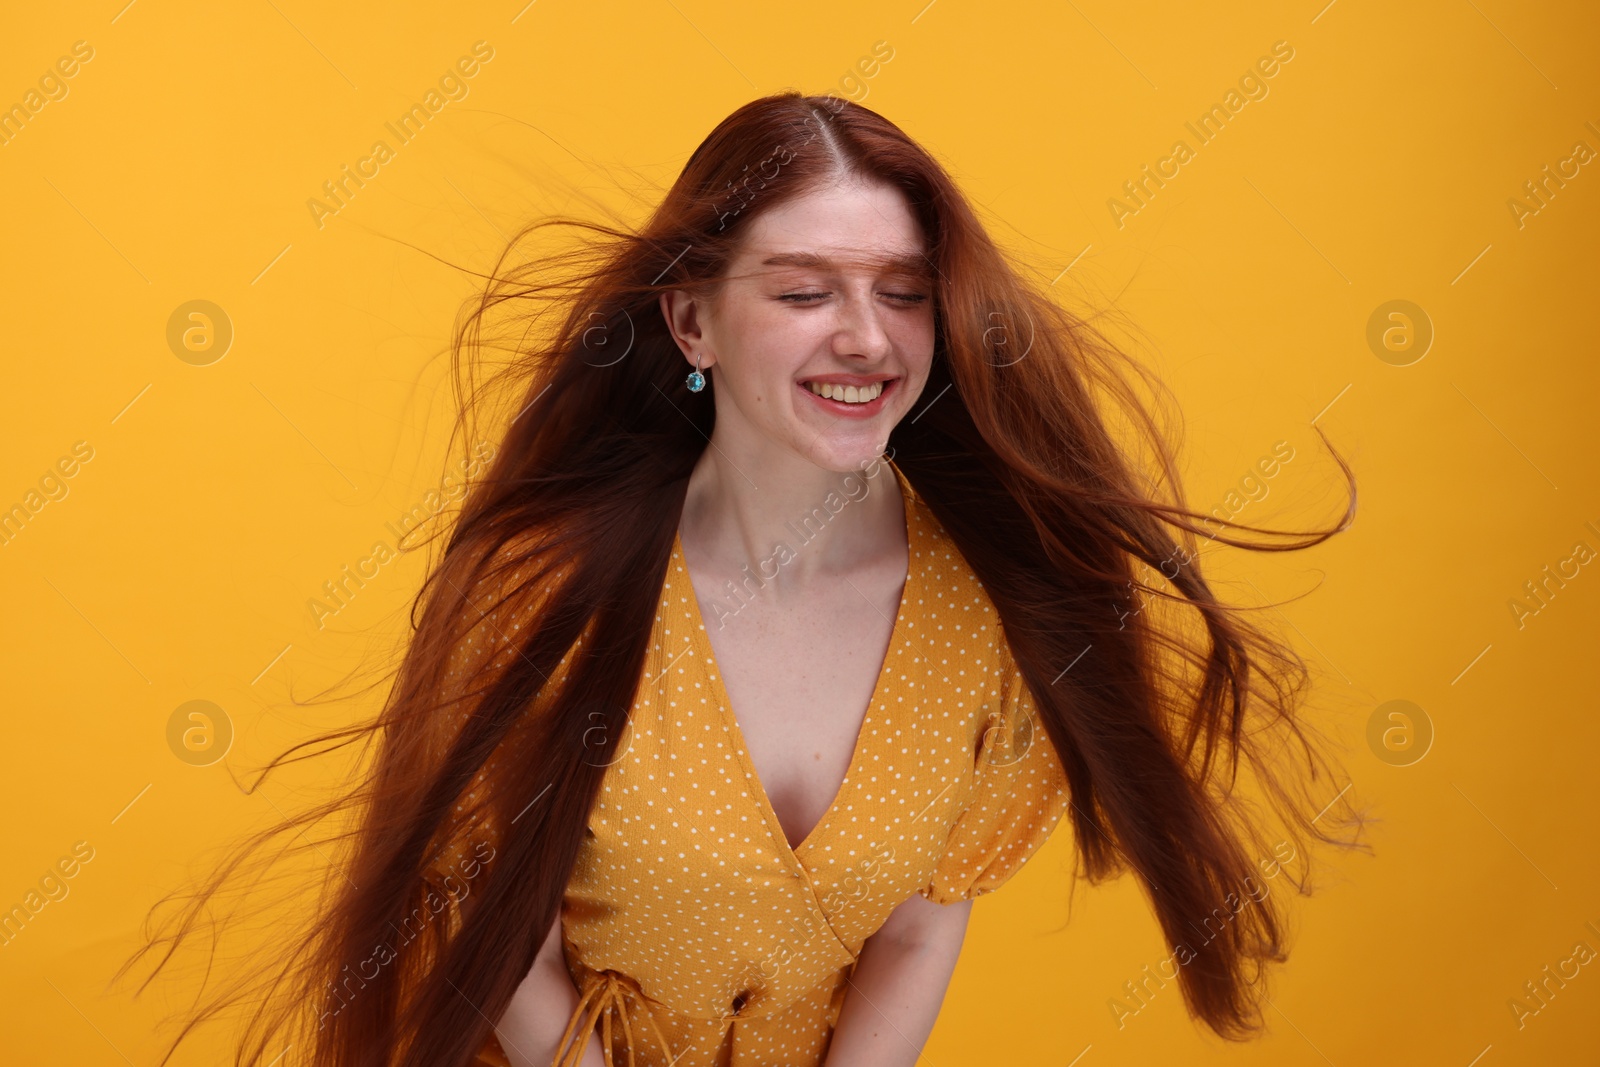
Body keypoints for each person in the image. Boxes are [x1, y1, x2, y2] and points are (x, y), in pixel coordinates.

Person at [121, 91, 1362, 1067]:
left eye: (902, 294)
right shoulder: (538, 589)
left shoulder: (984, 615)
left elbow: (927, 920)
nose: (867, 338)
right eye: (805, 290)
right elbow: (481, 924)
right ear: (692, 324)